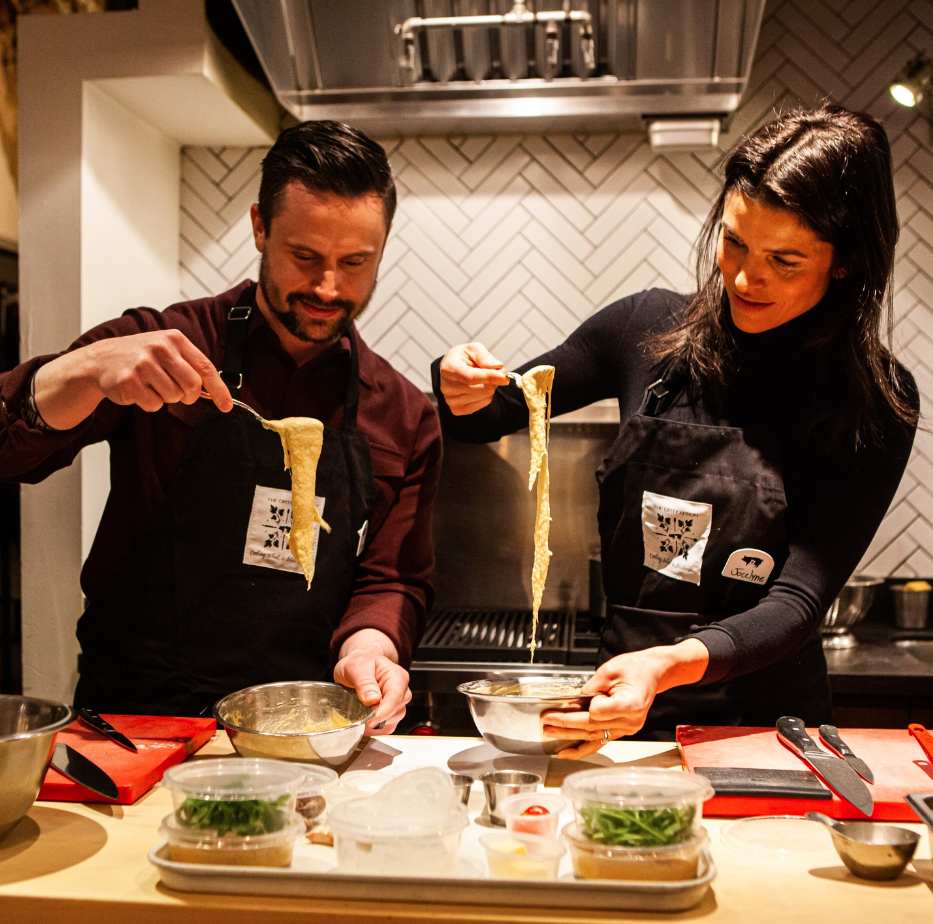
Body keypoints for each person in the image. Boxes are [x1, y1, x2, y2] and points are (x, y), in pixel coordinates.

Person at [434, 105, 920, 756]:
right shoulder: (643, 328)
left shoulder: (873, 401)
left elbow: (797, 601)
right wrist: (455, 383)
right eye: (733, 241)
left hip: (764, 735)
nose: (745, 278)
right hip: (620, 713)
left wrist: (663, 665)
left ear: (844, 263)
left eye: (783, 260)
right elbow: (490, 415)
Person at [0, 120, 442, 729]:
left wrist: (370, 647)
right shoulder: (163, 345)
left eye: (356, 262)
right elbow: (8, 453)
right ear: (260, 227)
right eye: (305, 256)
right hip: (136, 717)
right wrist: (83, 370)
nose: (327, 286)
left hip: (296, 726)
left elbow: (393, 578)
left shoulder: (402, 414)